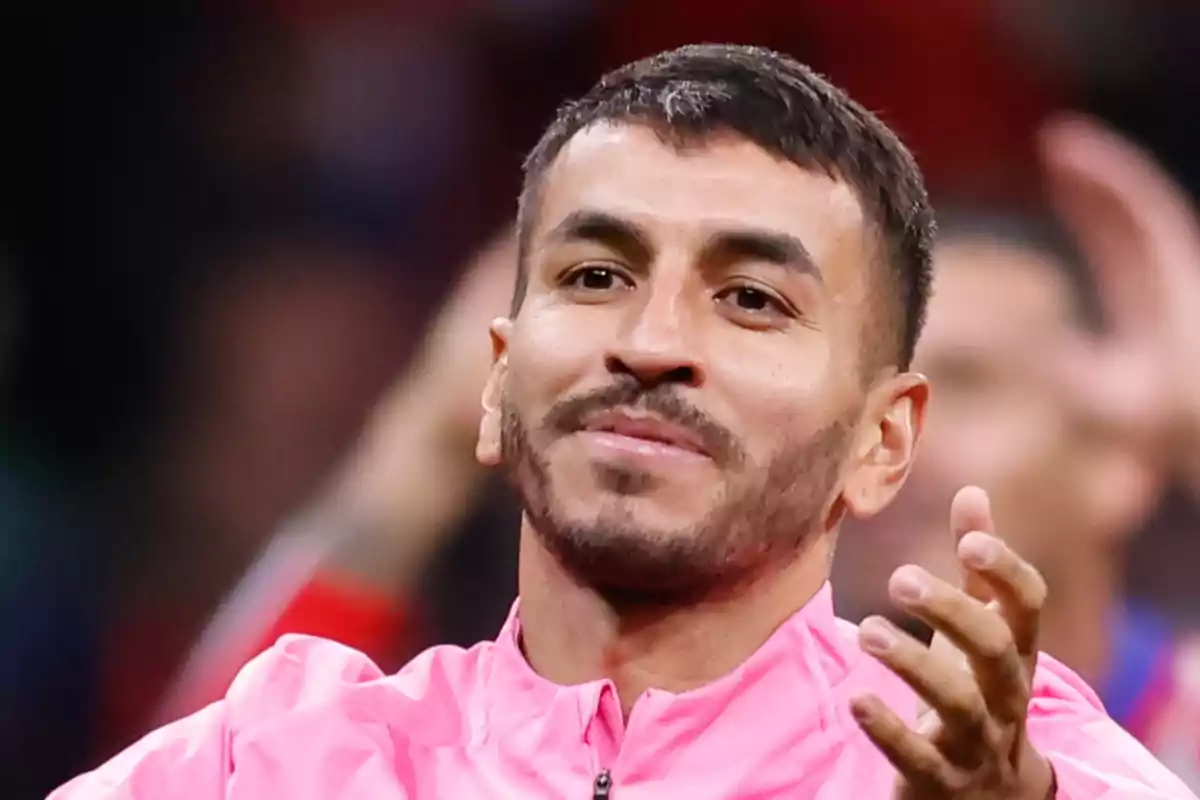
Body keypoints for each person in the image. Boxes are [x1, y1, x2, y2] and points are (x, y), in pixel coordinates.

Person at [51, 44, 1195, 799]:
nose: (650, 341)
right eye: (596, 274)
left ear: (883, 441)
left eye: (752, 298)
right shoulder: (285, 756)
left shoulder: (1013, 767)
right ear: (495, 385)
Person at [836, 116, 1200, 789]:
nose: (894, 438)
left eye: (968, 384)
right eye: (876, 395)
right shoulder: (770, 745)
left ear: (1114, 460)